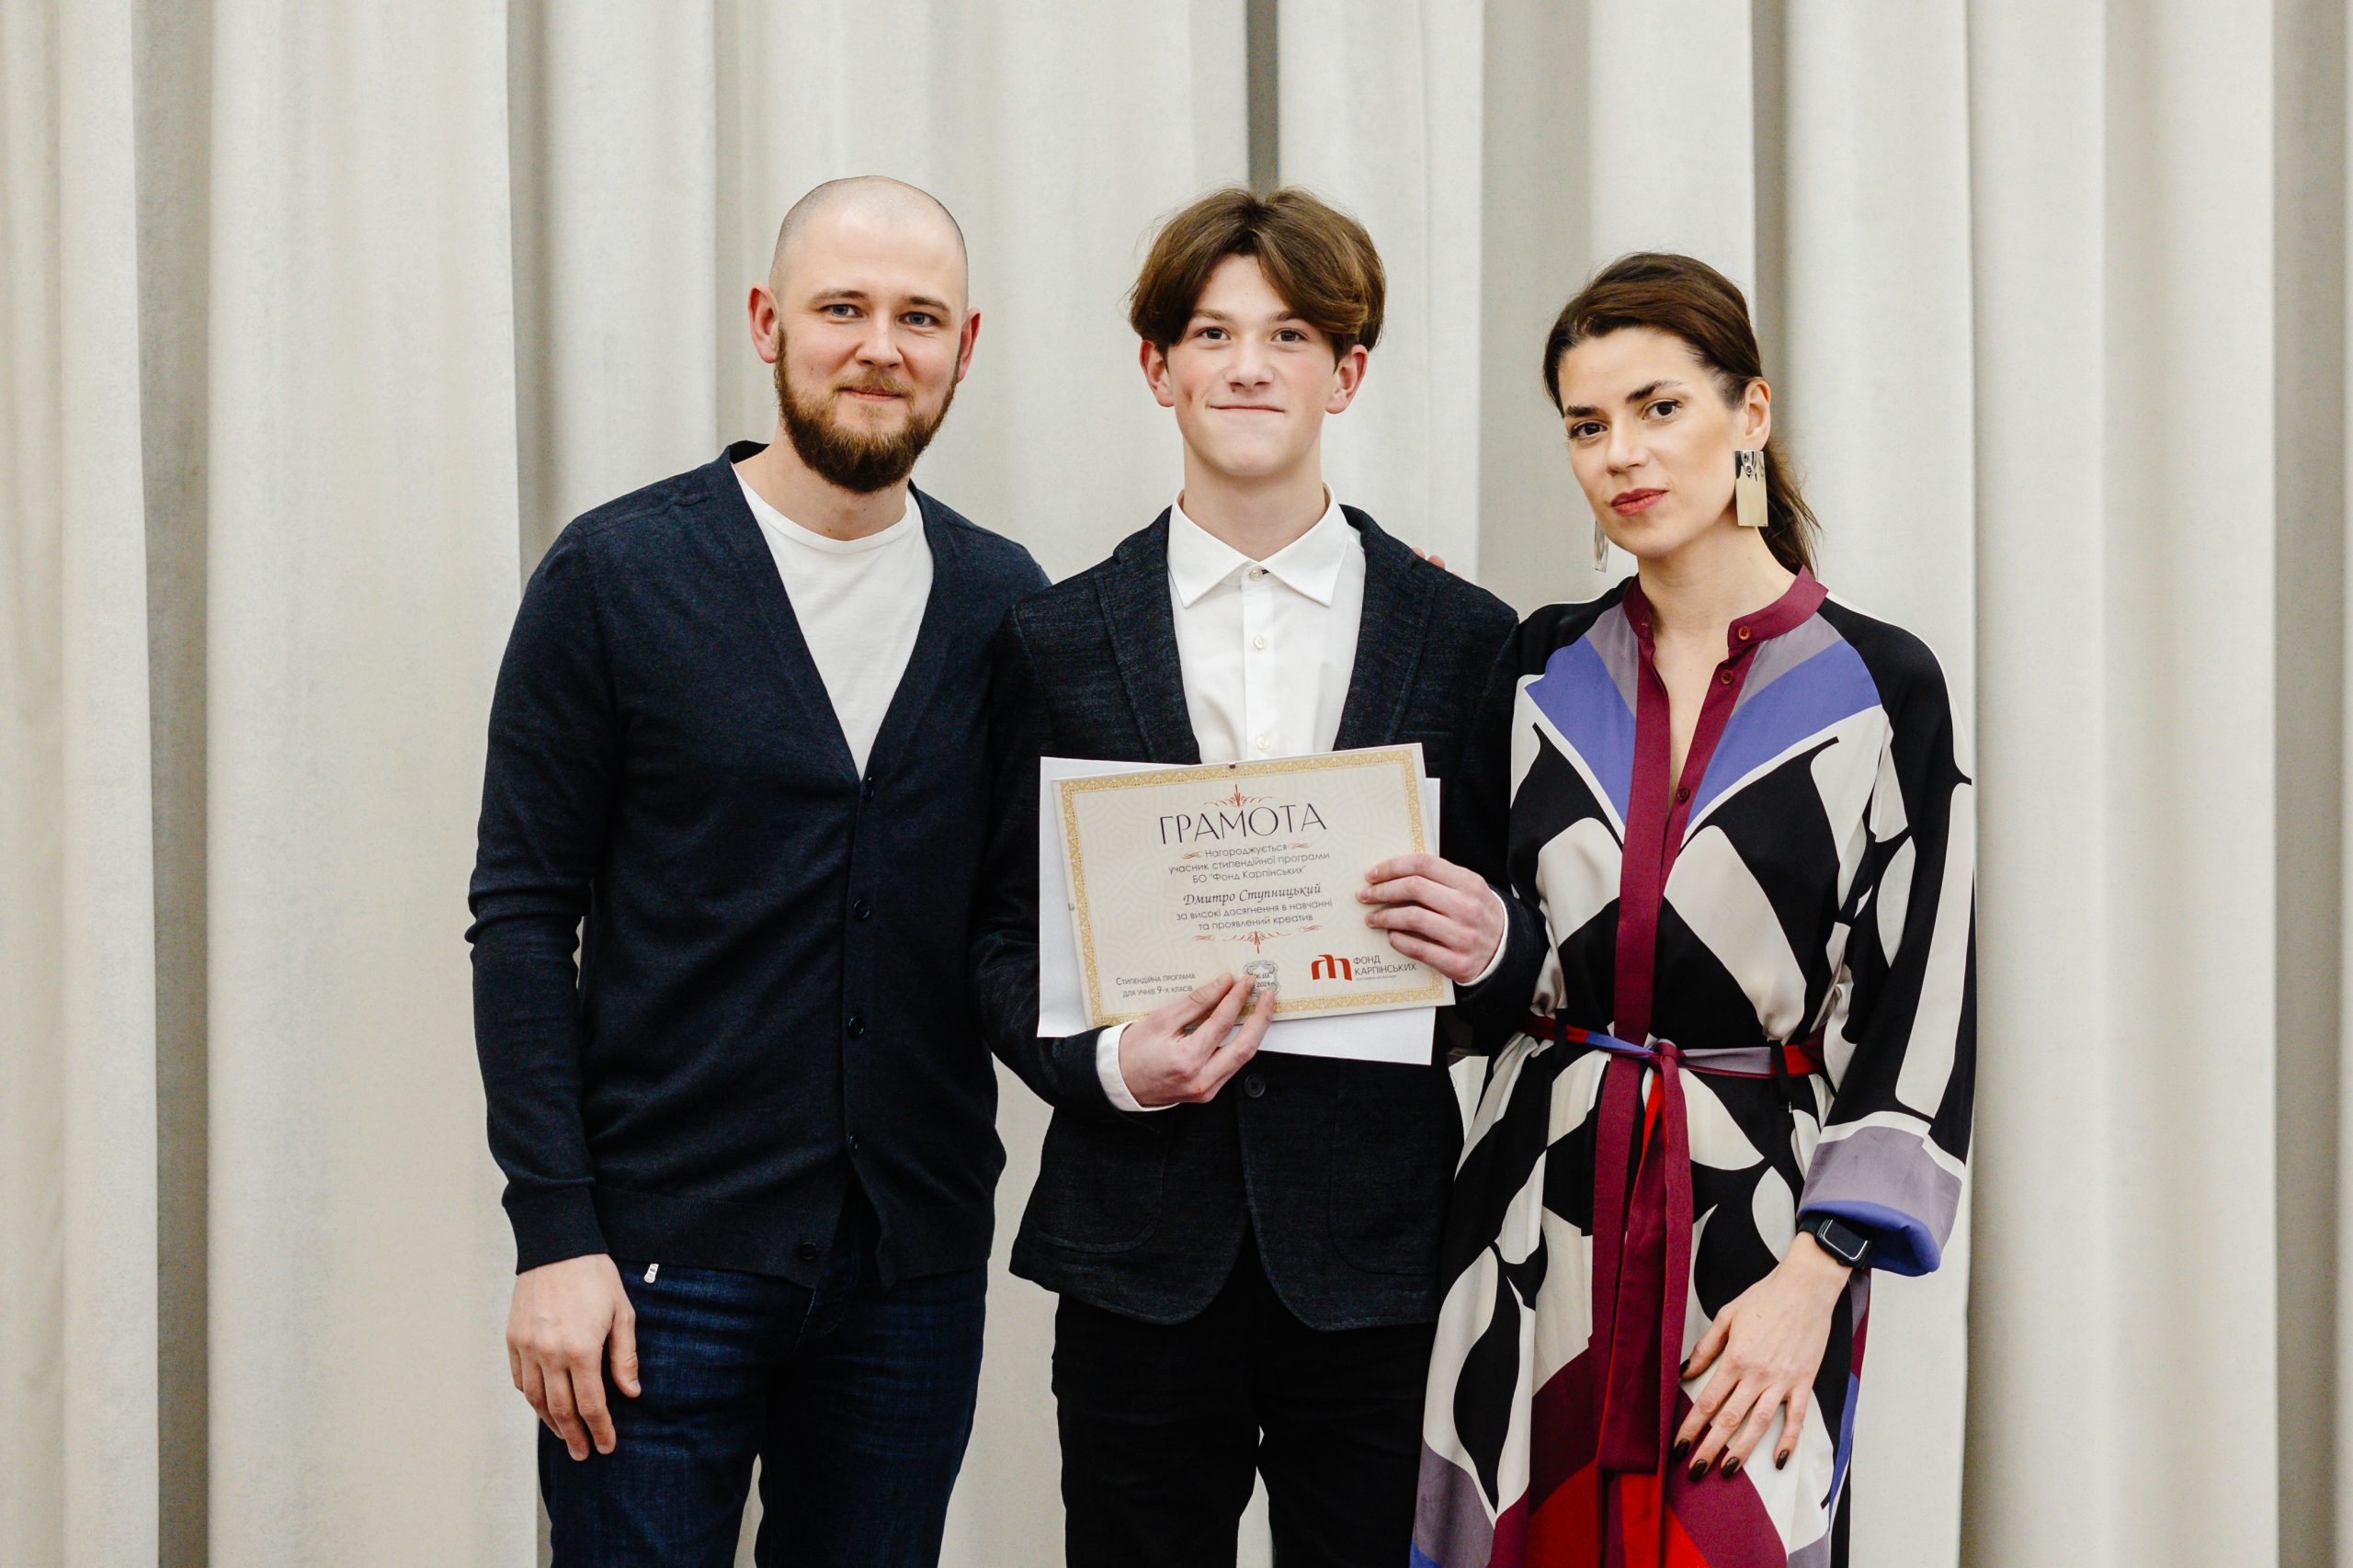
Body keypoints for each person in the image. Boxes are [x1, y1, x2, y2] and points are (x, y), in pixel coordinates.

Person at [465, 176, 1046, 1567]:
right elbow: (523, 917)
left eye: (919, 317)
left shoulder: (1005, 602)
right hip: (653, 1271)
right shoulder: (616, 575)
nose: (879, 347)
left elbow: (1027, 915)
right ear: (767, 322)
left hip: (910, 1274)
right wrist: (553, 1233)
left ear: (966, 345)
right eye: (842, 307)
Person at [1379, 253, 1976, 1567]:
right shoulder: (1539, 665)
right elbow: (1478, 964)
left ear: (1750, 412)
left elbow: (1921, 1007)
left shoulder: (1883, 686)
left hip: (1756, 1228)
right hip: (1531, 1222)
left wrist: (1817, 1278)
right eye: (1586, 425)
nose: (1621, 455)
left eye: (1659, 408)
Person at [969, 186, 1518, 1568]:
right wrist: (1105, 1065)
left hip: (1380, 1259)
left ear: (1348, 372)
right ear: (1158, 368)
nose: (1249, 366)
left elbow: (1525, 947)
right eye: (1212, 333)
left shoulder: (1466, 636)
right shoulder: (1053, 638)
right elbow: (997, 936)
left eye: (1289, 335)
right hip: (1138, 1252)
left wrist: (1494, 944)